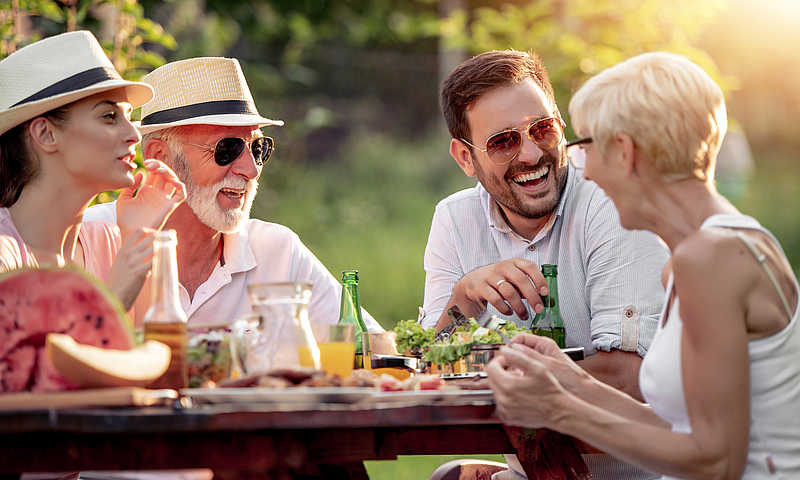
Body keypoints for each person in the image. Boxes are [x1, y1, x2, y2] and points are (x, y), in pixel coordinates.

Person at [488, 52, 800, 479]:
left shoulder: (712, 259)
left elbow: (716, 462)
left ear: (623, 151)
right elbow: (681, 430)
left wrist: (558, 409)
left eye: (584, 147)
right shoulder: (708, 250)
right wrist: (569, 380)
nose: (584, 172)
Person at [423, 50, 669, 480]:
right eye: (503, 142)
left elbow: (629, 378)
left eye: (542, 129)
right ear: (464, 158)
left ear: (561, 124)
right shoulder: (455, 219)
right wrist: (465, 297)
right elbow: (429, 369)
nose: (532, 154)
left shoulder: (612, 201)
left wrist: (496, 381)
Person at [83, 57, 383, 334]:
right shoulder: (91, 238)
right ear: (160, 156)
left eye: (258, 148)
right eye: (227, 148)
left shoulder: (277, 251)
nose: (251, 170)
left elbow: (368, 344)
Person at [0, 30, 185, 311]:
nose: (135, 134)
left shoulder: (110, 242)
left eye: (129, 116)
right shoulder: (5, 257)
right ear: (46, 134)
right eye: (109, 116)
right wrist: (113, 299)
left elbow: (155, 337)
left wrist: (138, 235)